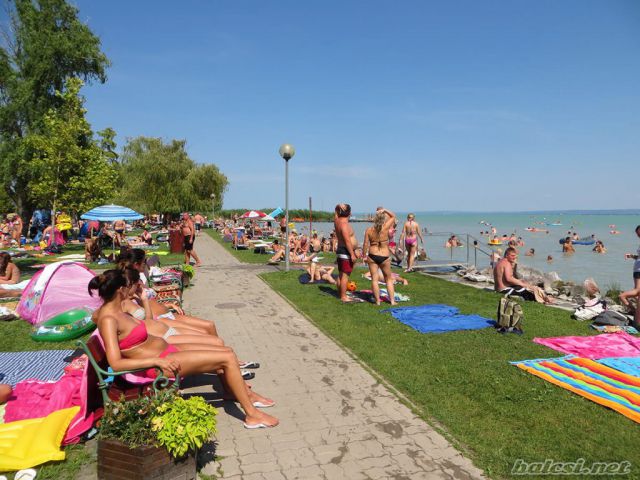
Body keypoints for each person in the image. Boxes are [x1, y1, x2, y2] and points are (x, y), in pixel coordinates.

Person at [89, 269, 278, 429]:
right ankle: (251, 414)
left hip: (166, 352)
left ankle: (234, 393)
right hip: (159, 365)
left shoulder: (116, 311)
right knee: (227, 357)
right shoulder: (108, 319)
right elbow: (116, 363)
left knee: (222, 351)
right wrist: (156, 360)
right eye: (128, 288)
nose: (133, 290)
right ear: (120, 290)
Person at [363, 208, 397, 305]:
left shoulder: (369, 230)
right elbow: (393, 216)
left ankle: (378, 301)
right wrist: (385, 210)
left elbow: (365, 244)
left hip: (372, 255)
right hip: (384, 255)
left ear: (374, 219)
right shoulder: (386, 227)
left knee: (374, 278)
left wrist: (364, 256)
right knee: (388, 279)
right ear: (383, 219)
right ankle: (392, 301)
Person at [334, 203, 358, 303]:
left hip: (341, 250)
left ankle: (341, 293)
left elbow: (335, 214)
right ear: (350, 213)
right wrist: (352, 254)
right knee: (345, 275)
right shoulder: (344, 224)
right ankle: (343, 296)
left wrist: (337, 206)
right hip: (345, 251)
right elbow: (347, 240)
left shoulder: (337, 221)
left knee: (341, 274)